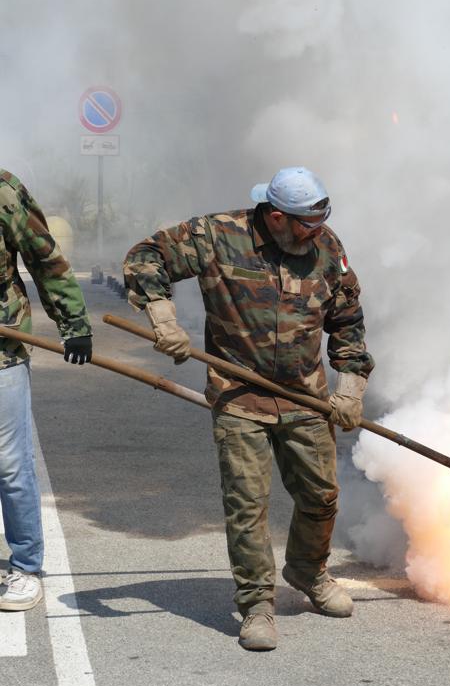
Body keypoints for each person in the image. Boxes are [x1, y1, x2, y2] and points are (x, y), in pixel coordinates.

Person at [123, 166, 374, 651]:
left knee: (321, 496)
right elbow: (146, 256)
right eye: (306, 223)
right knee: (248, 505)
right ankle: (257, 602)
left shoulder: (326, 247)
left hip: (304, 396)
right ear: (277, 216)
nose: (316, 232)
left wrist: (351, 388)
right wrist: (163, 318)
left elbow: (347, 319)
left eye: (321, 221)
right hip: (239, 396)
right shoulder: (218, 235)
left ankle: (307, 571)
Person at [0, 169, 92, 611]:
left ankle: (25, 565)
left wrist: (73, 323)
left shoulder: (3, 191)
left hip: (1, 351)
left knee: (10, 465)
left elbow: (44, 258)